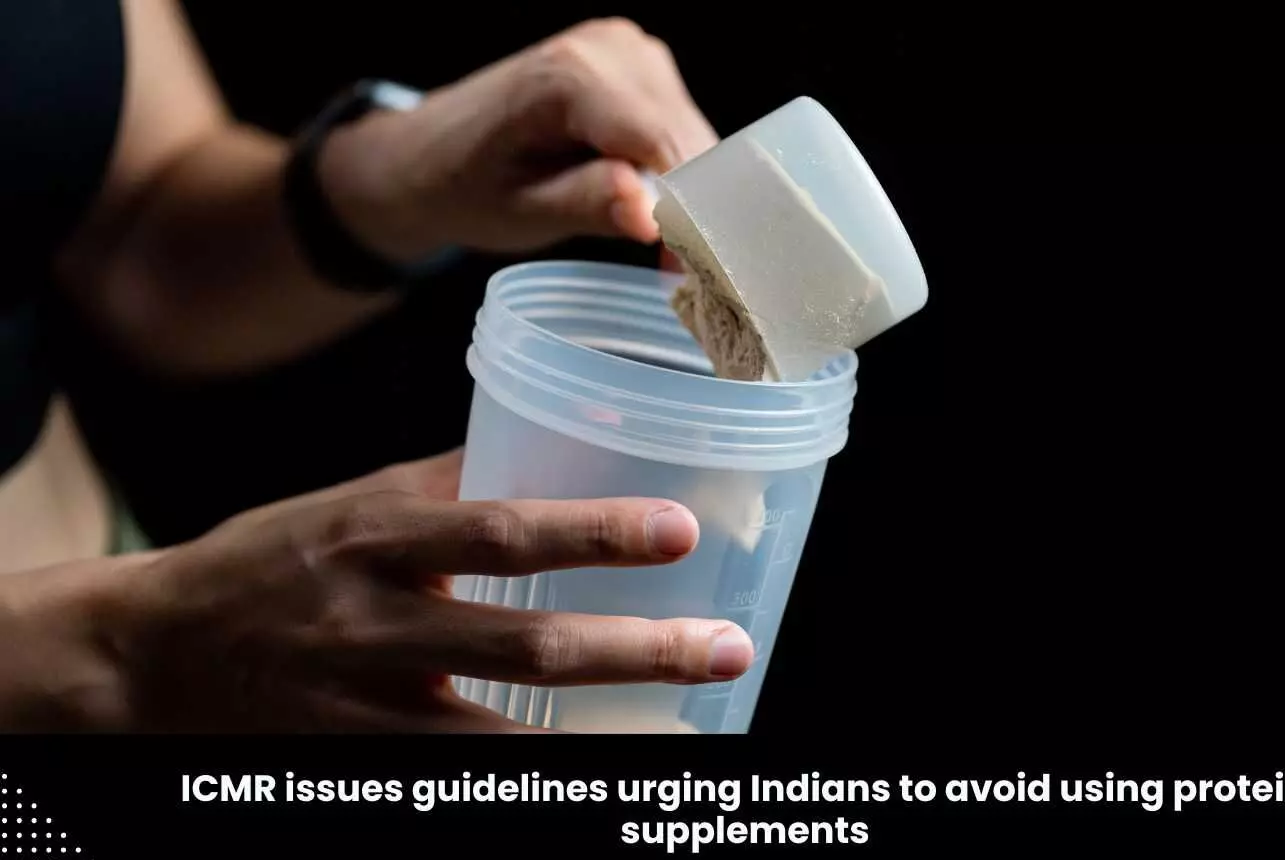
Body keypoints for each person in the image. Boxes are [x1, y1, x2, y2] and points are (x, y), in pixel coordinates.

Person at [0, 0, 752, 731]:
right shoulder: (152, 649)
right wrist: (122, 651)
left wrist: (391, 176)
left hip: (135, 586)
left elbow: (136, 226)